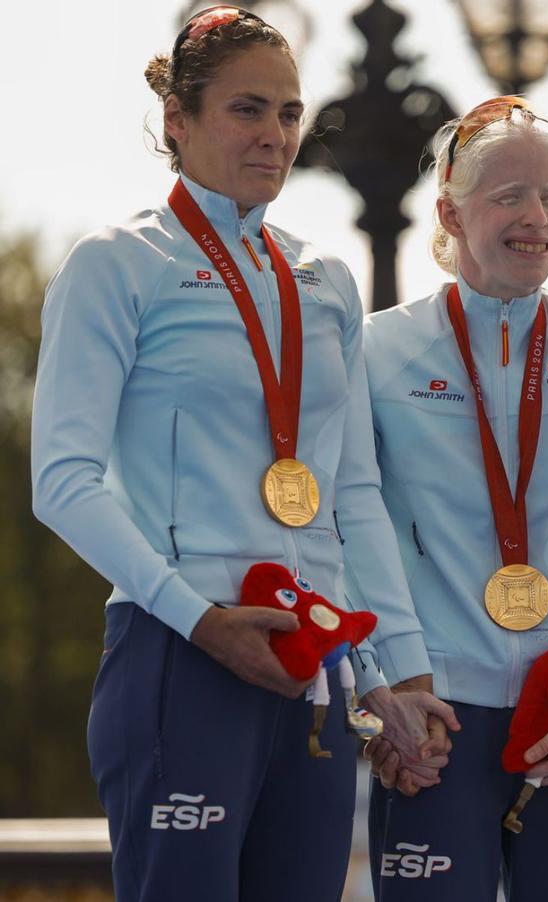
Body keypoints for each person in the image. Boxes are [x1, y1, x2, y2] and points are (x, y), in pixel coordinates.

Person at [30, 7, 455, 900]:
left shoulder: (326, 279)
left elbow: (353, 495)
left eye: (290, 113)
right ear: (177, 120)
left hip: (317, 669)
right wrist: (200, 621)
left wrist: (396, 678)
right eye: (247, 109)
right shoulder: (117, 263)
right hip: (179, 654)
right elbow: (62, 483)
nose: (275, 135)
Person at [357, 96, 548, 901]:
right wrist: (382, 688)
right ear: (449, 213)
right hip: (436, 719)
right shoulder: (374, 354)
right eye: (510, 197)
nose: (537, 218)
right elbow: (348, 533)